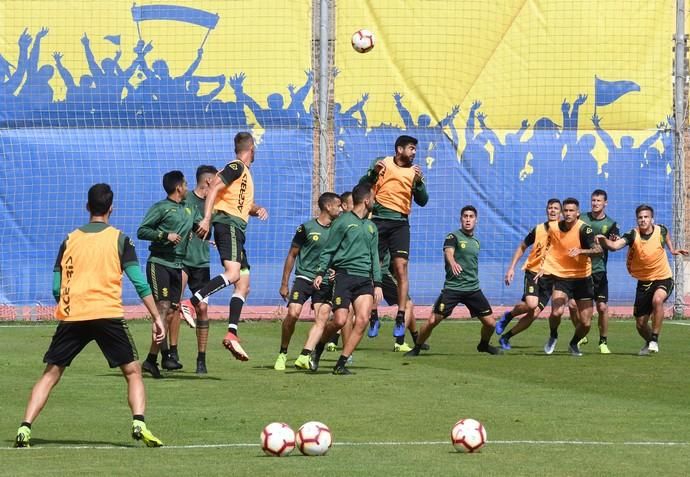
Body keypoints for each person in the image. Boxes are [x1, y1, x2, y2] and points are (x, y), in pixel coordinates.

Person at [14, 184, 165, 448]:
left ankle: (25, 427)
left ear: (87, 207)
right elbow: (140, 283)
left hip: (74, 315)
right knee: (132, 372)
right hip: (106, 313)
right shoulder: (120, 239)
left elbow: (54, 287)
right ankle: (139, 422)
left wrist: (69, 306)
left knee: (51, 373)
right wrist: (156, 317)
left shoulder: (70, 239)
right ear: (111, 209)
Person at [180, 132, 268, 361]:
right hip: (227, 224)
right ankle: (191, 302)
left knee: (244, 284)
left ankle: (231, 334)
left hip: (236, 227)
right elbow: (214, 188)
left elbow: (239, 202)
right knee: (233, 273)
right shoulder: (236, 166)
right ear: (252, 149)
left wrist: (256, 209)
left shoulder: (245, 175)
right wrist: (207, 218)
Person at [306, 184, 383, 375]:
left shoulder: (371, 226)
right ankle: (319, 348)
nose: (375, 201)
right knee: (340, 320)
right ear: (366, 200)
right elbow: (329, 249)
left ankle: (341, 364)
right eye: (373, 197)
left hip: (365, 279)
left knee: (363, 319)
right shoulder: (343, 222)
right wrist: (320, 272)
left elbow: (374, 256)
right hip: (344, 276)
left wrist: (378, 283)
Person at [405, 206, 502, 357]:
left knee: (491, 324)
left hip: (472, 289)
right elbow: (448, 252)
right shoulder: (453, 237)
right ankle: (417, 348)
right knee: (432, 321)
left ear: (476, 220)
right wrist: (452, 262)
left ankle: (483, 345)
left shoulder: (476, 242)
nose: (468, 219)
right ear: (461, 219)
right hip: (453, 288)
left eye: (471, 216)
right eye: (465, 216)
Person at [359, 135, 428, 341]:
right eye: (411, 148)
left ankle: (400, 315)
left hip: (400, 223)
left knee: (401, 267)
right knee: (374, 267)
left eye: (415, 149)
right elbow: (363, 186)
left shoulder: (414, 172)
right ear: (399, 149)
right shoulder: (383, 163)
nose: (414, 152)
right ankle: (373, 316)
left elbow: (423, 201)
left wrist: (419, 184)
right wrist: (372, 174)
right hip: (379, 220)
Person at [597, 205, 687, 354]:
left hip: (663, 277)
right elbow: (614, 246)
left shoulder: (661, 230)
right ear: (637, 219)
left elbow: (666, 236)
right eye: (640, 217)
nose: (643, 220)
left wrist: (672, 249)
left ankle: (655, 338)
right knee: (640, 324)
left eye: (646, 217)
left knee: (657, 300)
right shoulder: (633, 234)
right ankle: (649, 340)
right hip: (644, 282)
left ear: (652, 219)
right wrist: (603, 241)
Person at [137, 171, 197, 378]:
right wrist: (165, 235)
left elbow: (197, 226)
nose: (188, 187)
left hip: (177, 266)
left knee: (172, 310)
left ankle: (155, 360)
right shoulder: (160, 208)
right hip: (159, 263)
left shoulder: (188, 209)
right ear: (179, 187)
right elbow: (142, 231)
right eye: (186, 183)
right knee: (162, 307)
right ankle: (158, 358)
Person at [274, 192, 342, 371]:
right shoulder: (306, 228)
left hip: (326, 281)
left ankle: (305, 355)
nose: (341, 209)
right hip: (304, 278)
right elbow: (292, 255)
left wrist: (336, 271)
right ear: (328, 207)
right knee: (293, 313)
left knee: (322, 318)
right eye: (339, 205)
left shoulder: (338, 230)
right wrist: (284, 283)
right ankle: (283, 353)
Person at [495, 199, 562, 350]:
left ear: (561, 212)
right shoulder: (538, 229)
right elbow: (522, 247)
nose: (552, 210)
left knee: (534, 313)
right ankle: (509, 316)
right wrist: (511, 268)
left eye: (556, 208)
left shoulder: (564, 232)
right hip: (533, 272)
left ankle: (506, 337)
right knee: (531, 305)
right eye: (550, 208)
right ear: (546, 210)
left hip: (551, 278)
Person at [539, 198, 602, 356]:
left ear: (577, 213)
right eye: (565, 211)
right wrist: (542, 265)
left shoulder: (584, 229)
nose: (568, 214)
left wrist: (582, 251)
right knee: (556, 312)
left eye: (571, 211)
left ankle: (574, 344)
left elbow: (598, 250)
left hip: (583, 278)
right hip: (562, 277)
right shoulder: (553, 228)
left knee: (586, 323)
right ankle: (553, 335)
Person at [177, 165, 218, 374]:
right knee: (173, 305)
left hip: (202, 263)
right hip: (182, 260)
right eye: (217, 180)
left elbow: (220, 224)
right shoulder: (186, 200)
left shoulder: (215, 205)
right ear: (209, 181)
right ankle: (168, 353)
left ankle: (201, 358)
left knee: (202, 308)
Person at [571, 190, 619, 354]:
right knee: (572, 305)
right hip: (580, 270)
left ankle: (603, 342)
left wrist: (606, 240)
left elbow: (613, 246)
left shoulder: (611, 224)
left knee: (602, 307)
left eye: (599, 200)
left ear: (605, 203)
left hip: (598, 270)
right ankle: (581, 334)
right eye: (593, 200)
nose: (595, 203)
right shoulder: (581, 219)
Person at [326, 191, 353, 352]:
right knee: (340, 315)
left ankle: (345, 351)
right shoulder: (338, 224)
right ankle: (321, 341)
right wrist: (331, 268)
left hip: (354, 274)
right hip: (338, 274)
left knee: (349, 314)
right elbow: (329, 249)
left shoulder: (360, 224)